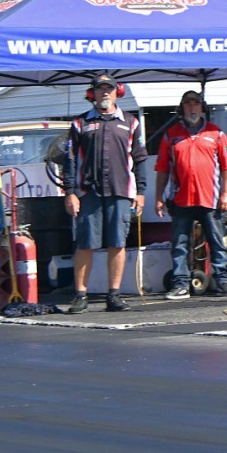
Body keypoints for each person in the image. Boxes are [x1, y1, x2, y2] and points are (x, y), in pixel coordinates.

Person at [64, 74, 146, 313]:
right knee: (85, 244)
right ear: (92, 94)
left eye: (109, 89)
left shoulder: (131, 122)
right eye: (100, 89)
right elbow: (69, 160)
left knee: (117, 243)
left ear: (117, 92)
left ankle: (114, 294)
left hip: (120, 191)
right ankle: (81, 295)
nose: (105, 93)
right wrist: (70, 192)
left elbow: (140, 159)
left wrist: (141, 192)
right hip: (88, 193)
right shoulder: (80, 123)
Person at [153, 89, 227, 299]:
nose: (192, 108)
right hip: (180, 198)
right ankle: (180, 284)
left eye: (196, 104)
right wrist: (158, 197)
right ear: (182, 108)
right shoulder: (171, 135)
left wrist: (226, 193)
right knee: (180, 244)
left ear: (202, 108)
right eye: (188, 104)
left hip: (210, 198)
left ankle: (223, 282)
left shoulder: (216, 133)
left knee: (217, 242)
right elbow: (162, 168)